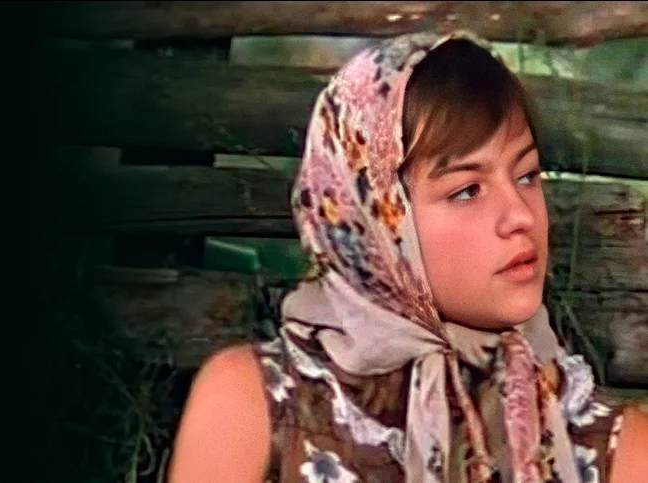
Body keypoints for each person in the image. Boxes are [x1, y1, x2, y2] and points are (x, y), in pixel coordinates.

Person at [168, 30, 648, 482]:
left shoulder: (617, 448)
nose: (520, 216)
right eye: (467, 190)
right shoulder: (255, 403)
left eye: (526, 176)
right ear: (375, 221)